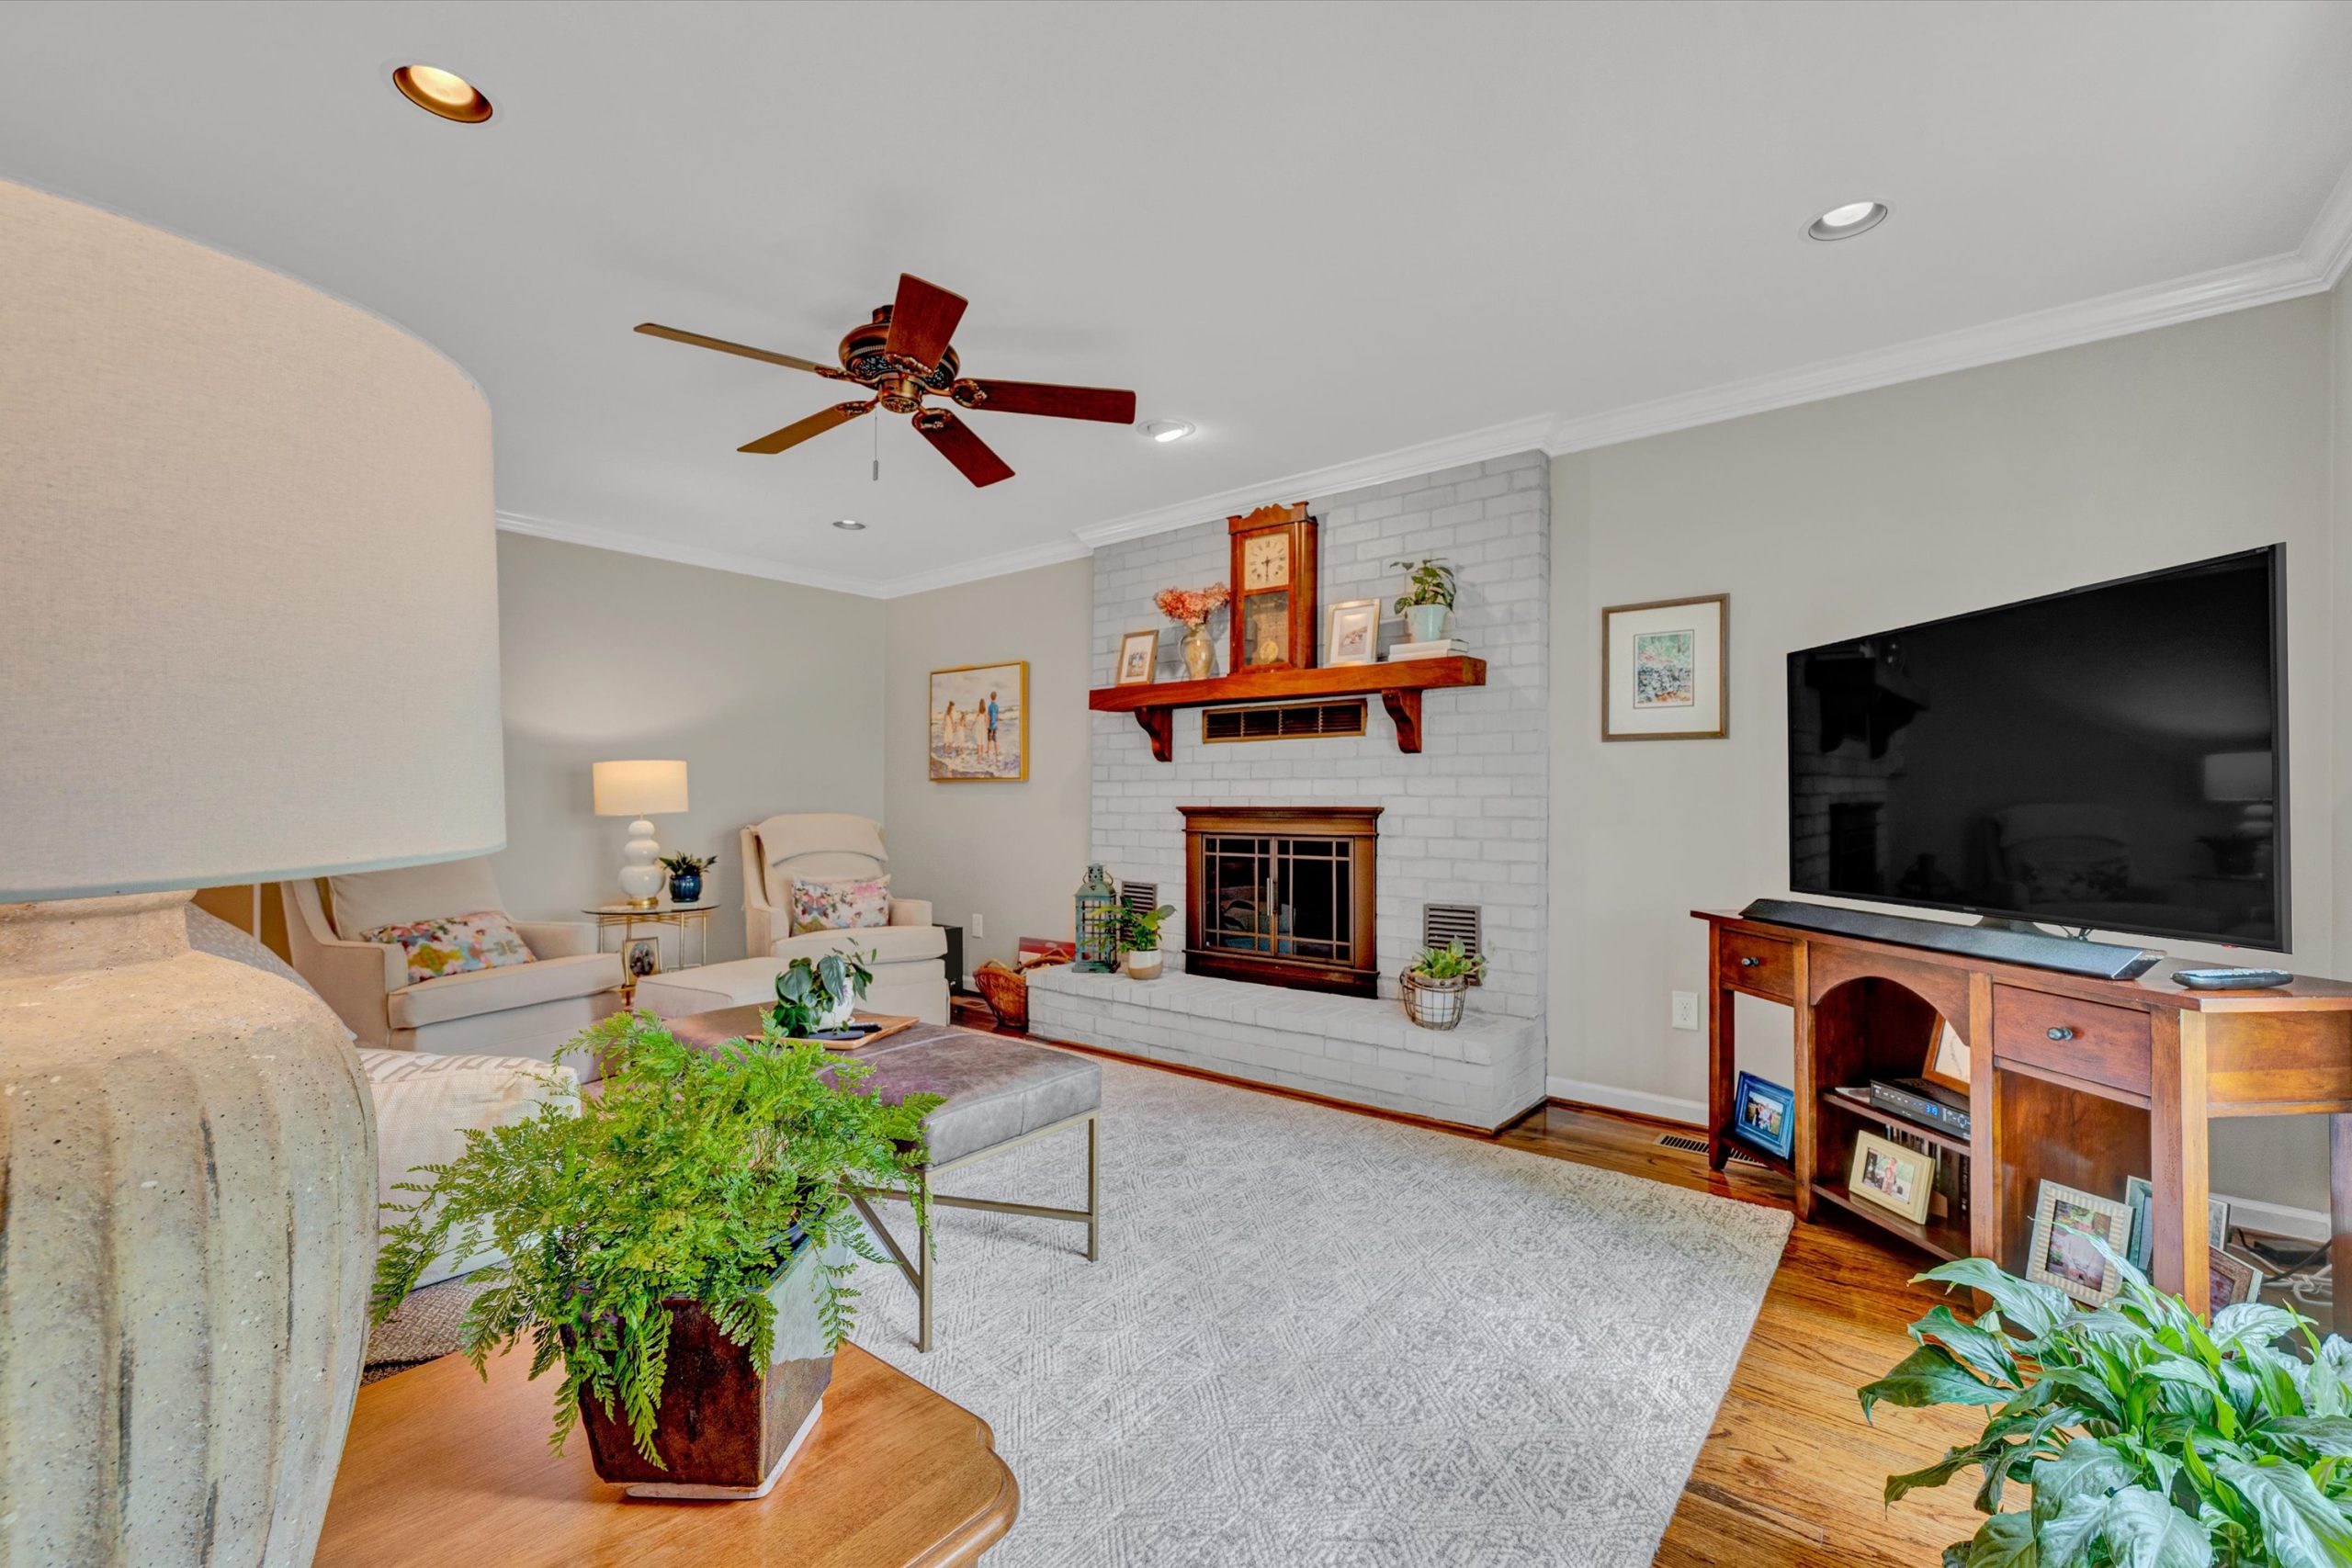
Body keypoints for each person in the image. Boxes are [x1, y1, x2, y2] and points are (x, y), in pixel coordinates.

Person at [985, 690, 1001, 763]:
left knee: (989, 740)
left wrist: (987, 725)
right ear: (996, 697)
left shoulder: (990, 706)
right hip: (995, 725)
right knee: (995, 740)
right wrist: (997, 724)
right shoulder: (997, 706)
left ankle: (988, 752)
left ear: (990, 697)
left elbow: (988, 717)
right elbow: (997, 717)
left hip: (990, 725)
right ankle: (997, 752)